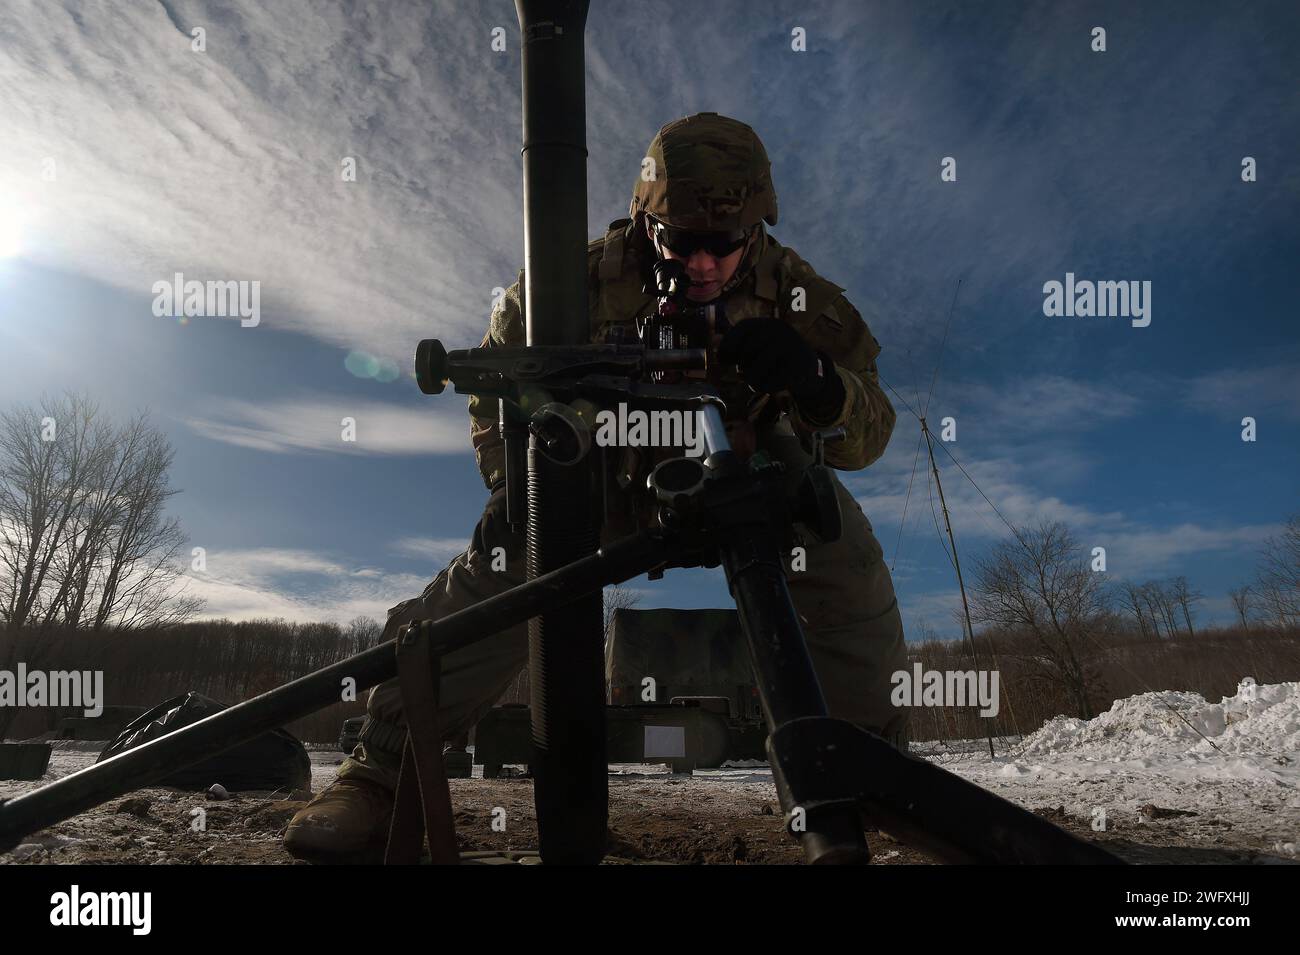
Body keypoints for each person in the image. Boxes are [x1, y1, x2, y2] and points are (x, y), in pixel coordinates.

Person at [284, 112, 908, 863]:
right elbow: (493, 391)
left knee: (845, 558)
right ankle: (379, 774)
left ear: (758, 227)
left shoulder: (804, 299)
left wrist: (816, 383)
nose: (704, 262)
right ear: (647, 223)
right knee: (501, 571)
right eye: (684, 241)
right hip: (599, 480)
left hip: (751, 482)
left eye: (726, 242)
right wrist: (511, 480)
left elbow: (870, 433)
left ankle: (858, 781)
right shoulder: (565, 284)